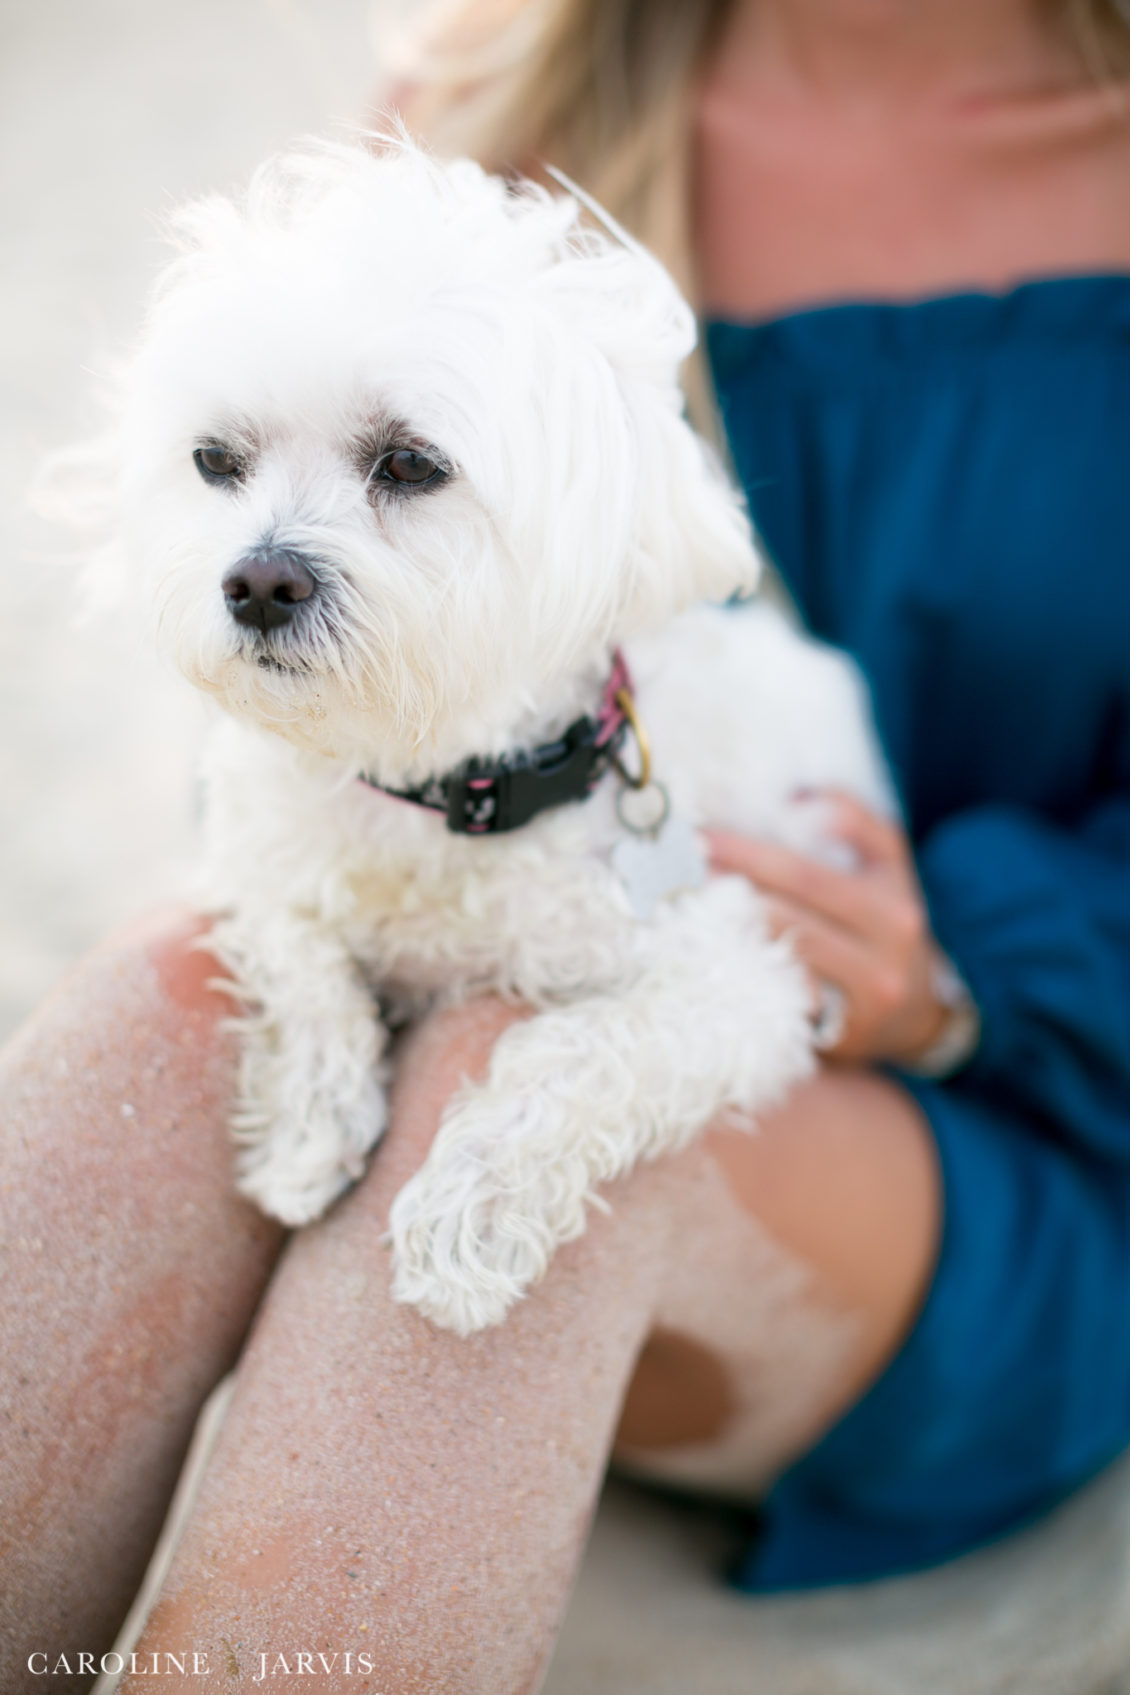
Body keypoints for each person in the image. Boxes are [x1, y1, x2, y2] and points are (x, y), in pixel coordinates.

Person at [3, 1, 1130, 1689]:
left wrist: (980, 961)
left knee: (518, 1092)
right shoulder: (491, 110)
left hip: (1024, 1105)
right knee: (173, 1004)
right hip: (503, 873)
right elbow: (315, 661)